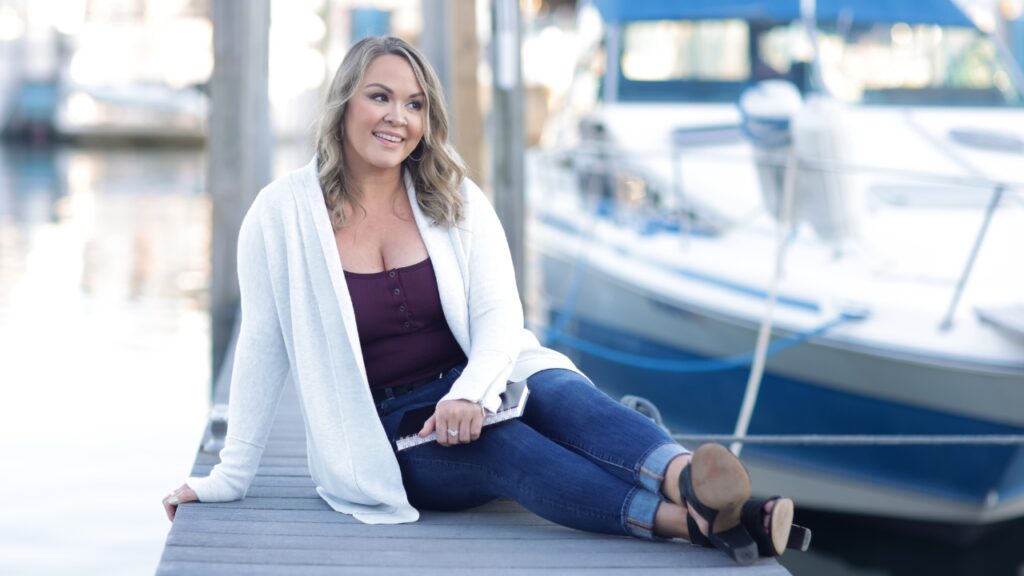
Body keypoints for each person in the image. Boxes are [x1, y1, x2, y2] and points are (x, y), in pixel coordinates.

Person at [162, 36, 808, 565]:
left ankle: (692, 479)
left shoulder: (454, 195)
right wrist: (230, 475)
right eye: (379, 97)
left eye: (414, 105)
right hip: (392, 432)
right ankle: (694, 524)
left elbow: (502, 318)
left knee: (561, 392)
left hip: (484, 375)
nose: (397, 117)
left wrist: (471, 391)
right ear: (343, 105)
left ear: (427, 120)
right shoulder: (281, 216)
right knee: (506, 447)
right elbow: (263, 346)